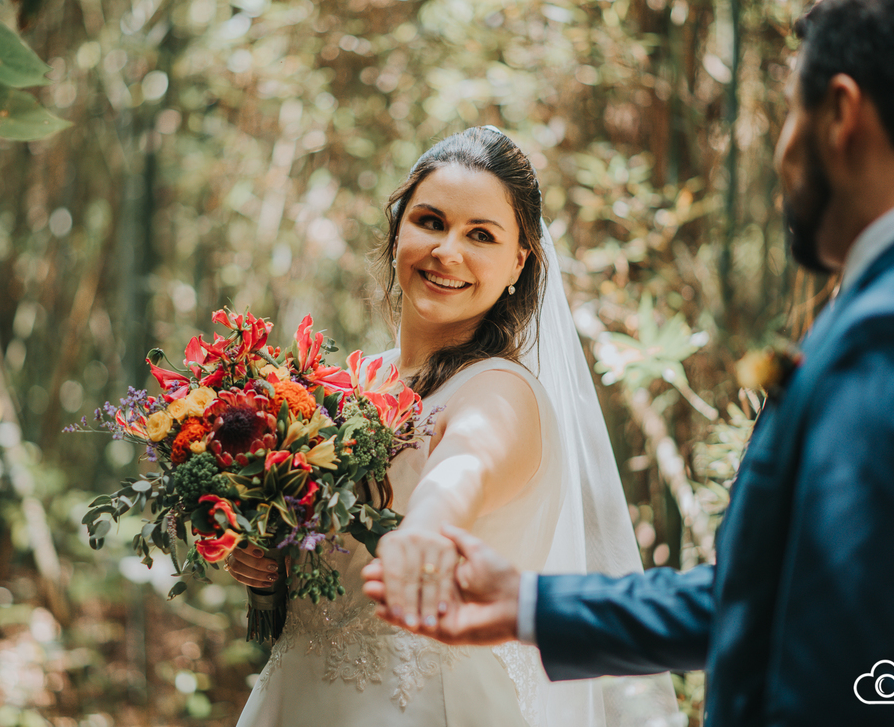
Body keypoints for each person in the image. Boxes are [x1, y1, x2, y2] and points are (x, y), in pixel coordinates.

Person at [365, 0, 894, 726]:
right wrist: (533, 604)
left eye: (788, 114)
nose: (782, 149)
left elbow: (879, 664)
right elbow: (786, 602)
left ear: (840, 113)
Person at [228, 126, 678, 726]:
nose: (447, 252)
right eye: (431, 222)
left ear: (518, 262)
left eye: (481, 235)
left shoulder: (500, 392)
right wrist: (268, 563)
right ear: (398, 232)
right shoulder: (348, 383)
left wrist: (427, 528)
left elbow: (464, 466)